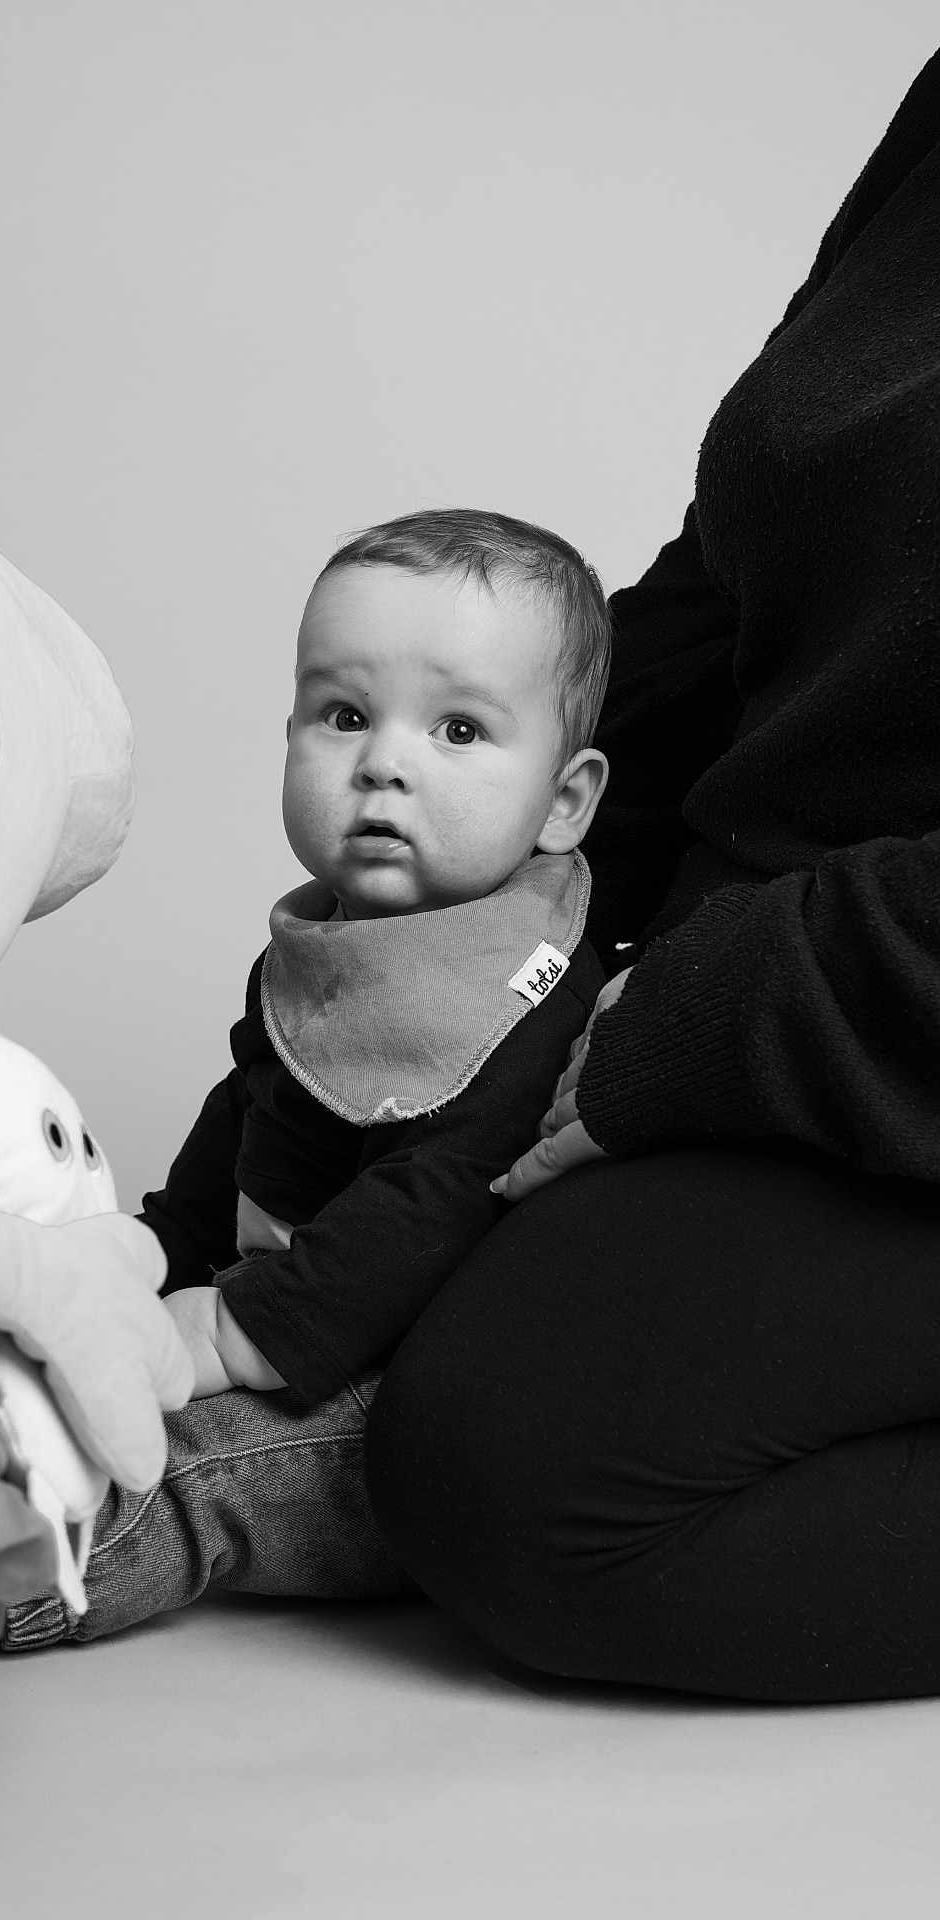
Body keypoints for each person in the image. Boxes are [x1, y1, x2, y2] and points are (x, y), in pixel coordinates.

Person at [364, 50, 940, 1705]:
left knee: (530, 1472)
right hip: (809, 959)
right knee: (341, 1195)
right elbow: (757, 558)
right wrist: (485, 872)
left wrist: (680, 1019)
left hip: (873, 994)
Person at [3, 507, 611, 1648]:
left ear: (564, 800)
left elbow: (427, 1211)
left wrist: (219, 1336)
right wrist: (153, 1253)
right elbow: (252, 1115)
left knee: (192, 1470)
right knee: (54, 1361)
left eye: (459, 731)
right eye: (342, 715)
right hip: (276, 1305)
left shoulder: (521, 996)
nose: (383, 759)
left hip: (402, 1377)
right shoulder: (329, 944)